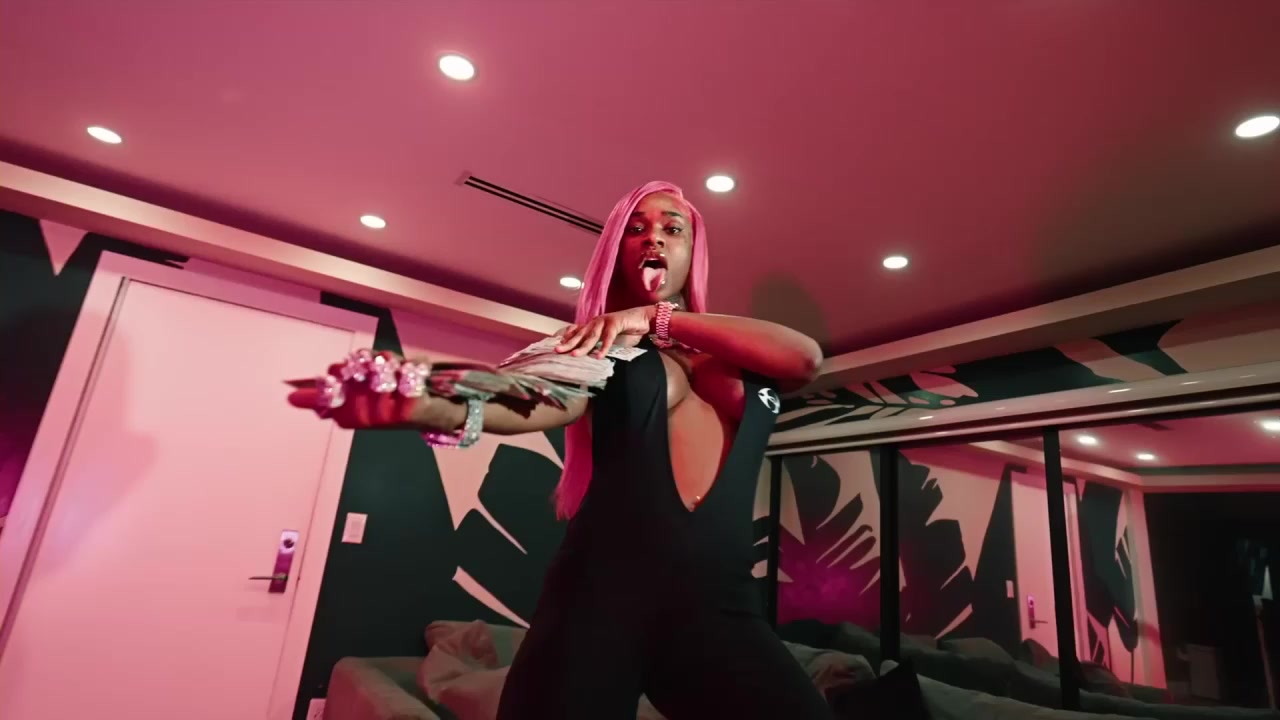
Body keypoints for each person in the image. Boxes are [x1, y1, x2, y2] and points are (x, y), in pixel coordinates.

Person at [288, 181, 832, 719]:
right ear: (616, 251)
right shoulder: (596, 343)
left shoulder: (743, 353)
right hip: (599, 597)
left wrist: (656, 318)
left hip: (720, 603)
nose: (654, 239)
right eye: (635, 229)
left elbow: (805, 358)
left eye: (673, 229)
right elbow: (535, 396)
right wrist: (437, 401)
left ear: (694, 251)